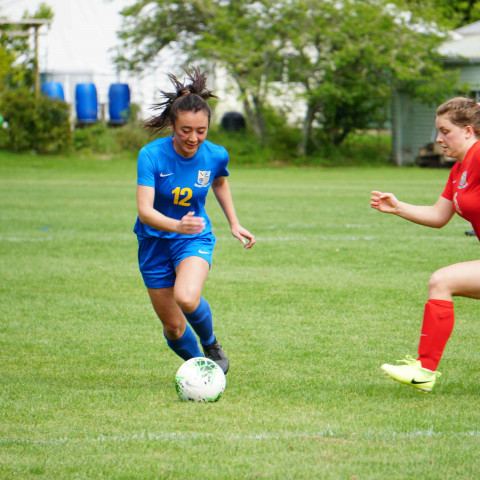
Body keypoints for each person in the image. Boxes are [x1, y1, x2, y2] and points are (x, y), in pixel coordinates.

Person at [134, 67, 255, 374]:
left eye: (201, 131)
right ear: (172, 126)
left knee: (187, 297)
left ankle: (211, 345)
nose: (194, 138)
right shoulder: (151, 155)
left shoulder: (216, 155)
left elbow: (219, 182)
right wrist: (176, 225)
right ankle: (201, 371)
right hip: (154, 243)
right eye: (186, 130)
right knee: (173, 328)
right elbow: (145, 212)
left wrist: (234, 222)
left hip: (194, 237)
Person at [370, 97, 480, 392]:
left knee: (442, 280)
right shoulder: (458, 171)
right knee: (442, 282)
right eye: (437, 131)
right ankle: (424, 369)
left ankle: (425, 370)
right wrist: (397, 208)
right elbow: (438, 215)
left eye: (445, 131)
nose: (438, 139)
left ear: (468, 131)